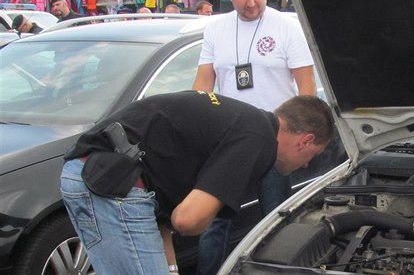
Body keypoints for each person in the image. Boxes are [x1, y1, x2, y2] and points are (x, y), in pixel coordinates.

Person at [60, 91, 334, 275]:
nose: (308, 164)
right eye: (314, 155)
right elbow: (187, 221)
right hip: (114, 184)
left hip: (92, 174)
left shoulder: (240, 122)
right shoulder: (259, 140)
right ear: (306, 140)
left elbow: (164, 221)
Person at [192, 0, 317, 274]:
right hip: (228, 140)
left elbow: (307, 89)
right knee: (214, 223)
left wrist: (302, 139)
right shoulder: (216, 28)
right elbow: (202, 84)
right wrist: (196, 125)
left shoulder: (287, 26)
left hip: (275, 141)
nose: (251, 3)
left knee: (272, 221)